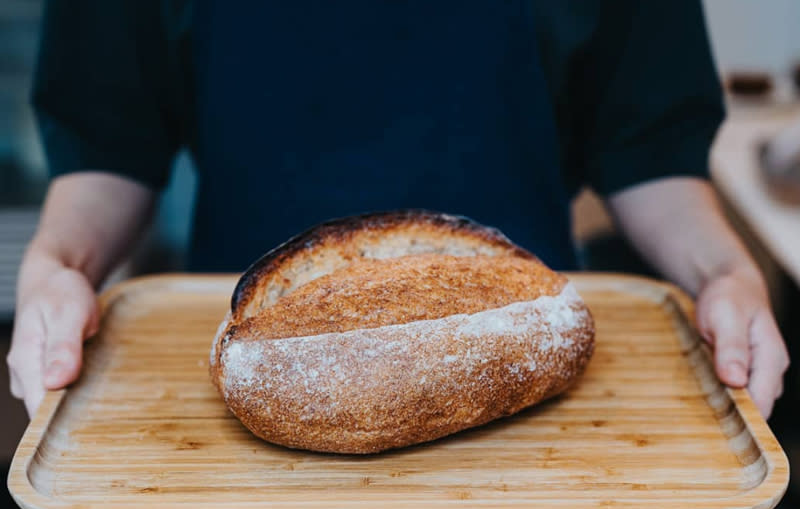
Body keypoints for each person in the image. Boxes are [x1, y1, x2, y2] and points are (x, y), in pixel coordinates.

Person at [7, 0, 789, 421]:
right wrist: (59, 265)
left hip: (546, 438)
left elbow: (648, 148)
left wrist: (723, 273)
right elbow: (110, 137)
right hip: (247, 429)